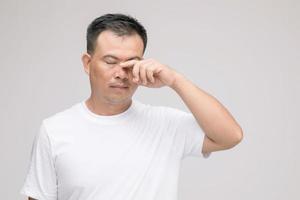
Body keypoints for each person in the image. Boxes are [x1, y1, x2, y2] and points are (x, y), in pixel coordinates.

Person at [20, 13, 243, 200]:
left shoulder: (165, 124)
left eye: (131, 64)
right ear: (88, 64)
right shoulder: (55, 130)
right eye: (110, 61)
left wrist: (174, 79)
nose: (121, 73)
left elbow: (230, 135)